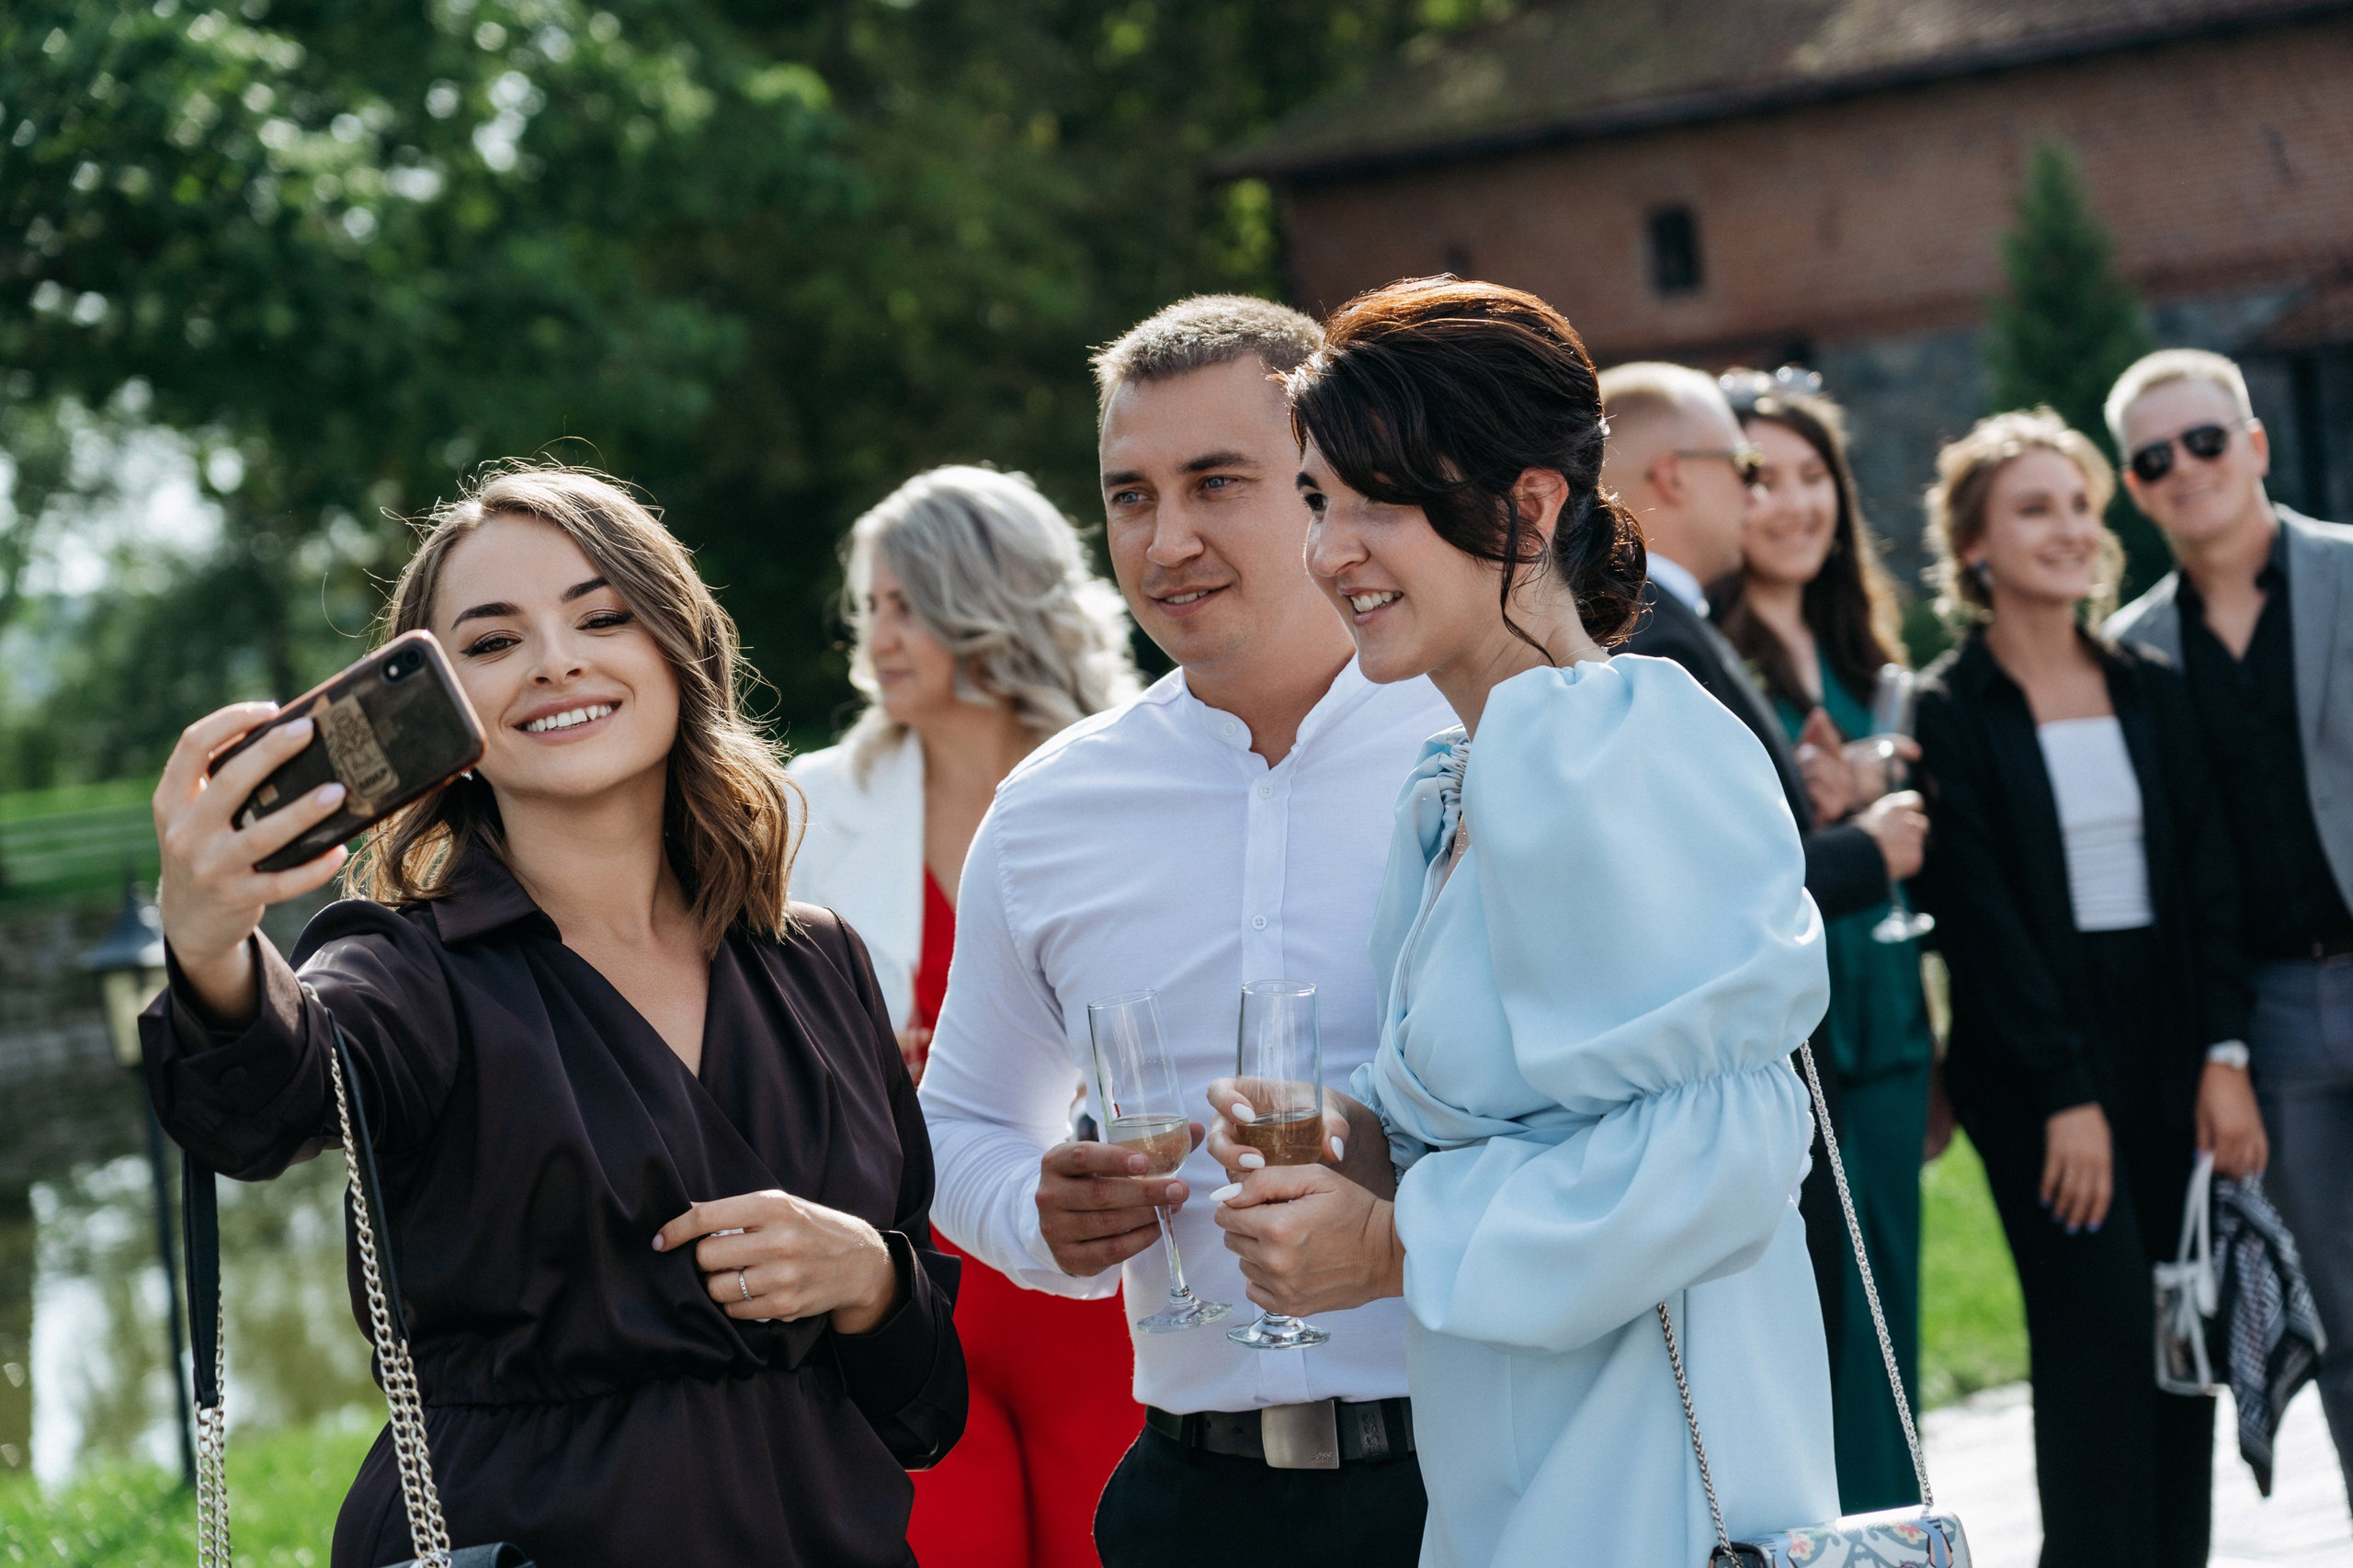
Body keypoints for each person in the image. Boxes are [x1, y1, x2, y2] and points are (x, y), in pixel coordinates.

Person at [142, 465, 965, 1568]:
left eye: (601, 615)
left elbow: (924, 1406)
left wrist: (870, 1276)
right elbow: (274, 1089)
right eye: (490, 643)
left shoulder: (816, 963)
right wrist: (208, 943)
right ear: (436, 717)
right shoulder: (406, 968)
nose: (555, 661)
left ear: (676, 646)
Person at [1207, 277, 1838, 1567]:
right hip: (1512, 1471)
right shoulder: (1460, 782)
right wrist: (1363, 1140)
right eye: (1319, 500)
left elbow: (1734, 1140)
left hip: (1656, 1469)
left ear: (1529, 505)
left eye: (1377, 501)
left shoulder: (1617, 745)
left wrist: (1390, 1245)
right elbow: (1539, 1110)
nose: (1331, 550)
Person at [917, 296, 1450, 1568]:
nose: (1168, 541)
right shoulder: (1051, 808)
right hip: (1187, 1503)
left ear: (1327, 486)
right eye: (1132, 496)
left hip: (1486, 1470)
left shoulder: (1479, 737)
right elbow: (959, 1124)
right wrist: (1041, 1221)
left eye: (1218, 482)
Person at [1910, 410, 2262, 1566]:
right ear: (1973, 546)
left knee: (2181, 1340)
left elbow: (2214, 882)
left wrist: (2224, 1055)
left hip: (2171, 1049)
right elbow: (1979, 920)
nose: (2069, 528)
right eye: (2033, 508)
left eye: (2076, 504)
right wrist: (2066, 1090)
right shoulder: (1949, 709)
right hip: (2037, 1068)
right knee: (2098, 1343)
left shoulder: (2151, 685)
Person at [788, 464, 1143, 1568]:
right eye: (872, 606)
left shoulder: (1140, 778)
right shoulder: (802, 809)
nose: (878, 636)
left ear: (986, 604)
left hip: (1096, 1271)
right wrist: (853, 1059)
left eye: (909, 604)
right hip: (906, 1286)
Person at [1599, 360, 1927, 1397]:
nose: (1759, 492)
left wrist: (1815, 801)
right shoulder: (1652, 633)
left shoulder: (1676, 618)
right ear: (1667, 477)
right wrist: (1871, 849)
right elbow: (1720, 882)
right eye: (1739, 466)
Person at [2104, 347, 2353, 1506]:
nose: (2185, 468)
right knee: (2342, 1316)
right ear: (2134, 486)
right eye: (2155, 457)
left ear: (2252, 445)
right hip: (2271, 1024)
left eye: (2205, 439)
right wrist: (2222, 1051)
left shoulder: (2352, 573)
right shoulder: (2134, 652)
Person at [1709, 369, 1937, 1513]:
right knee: (1821, 1338)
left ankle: (1900, 1527)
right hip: (1803, 1044)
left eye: (1812, 478)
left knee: (1891, 1326)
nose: (1791, 505)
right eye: (1758, 478)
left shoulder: (1864, 657)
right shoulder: (1715, 655)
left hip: (1894, 1031)